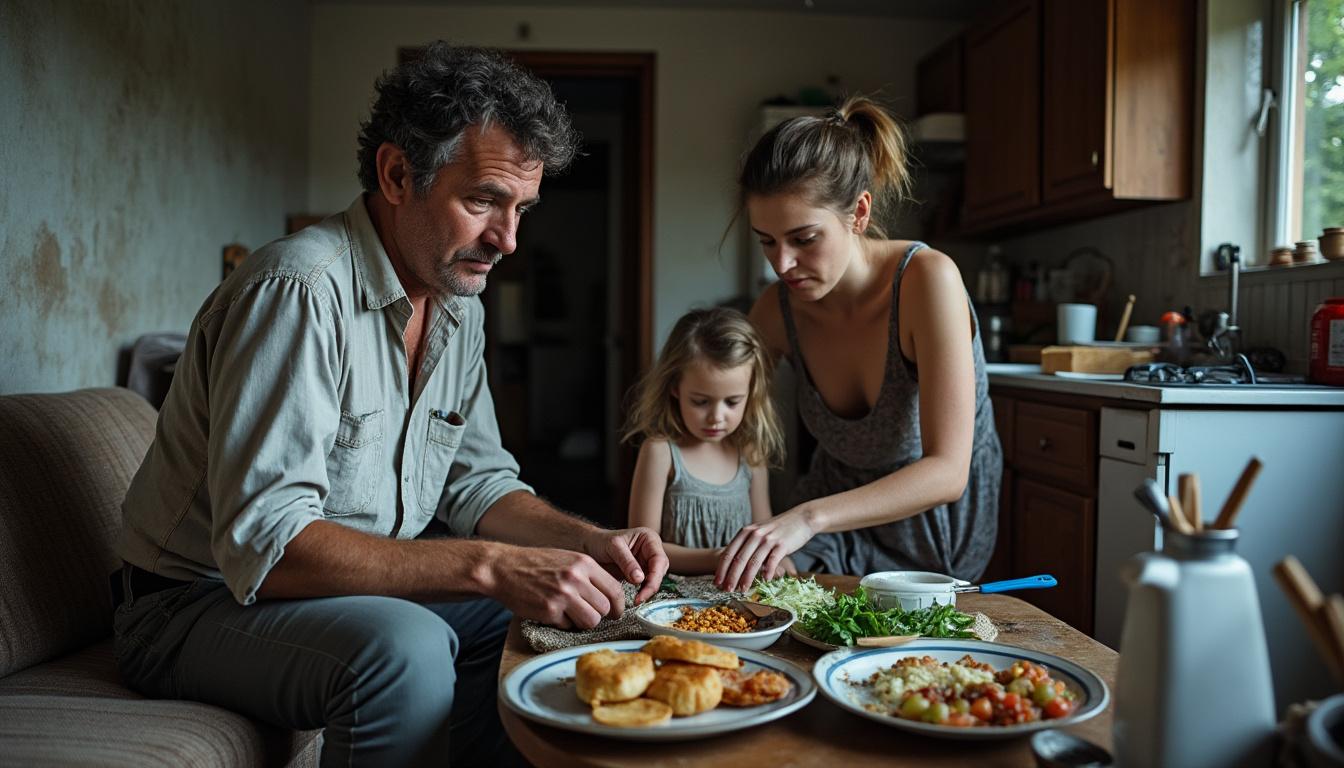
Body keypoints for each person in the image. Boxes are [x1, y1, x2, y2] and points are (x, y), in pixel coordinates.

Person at [113, 42, 669, 767]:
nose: (508, 240)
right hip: (191, 606)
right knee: (405, 650)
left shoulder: (456, 304)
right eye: (482, 202)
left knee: (539, 629)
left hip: (305, 598)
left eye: (522, 209)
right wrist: (492, 565)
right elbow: (268, 548)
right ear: (398, 174)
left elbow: (480, 484)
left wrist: (585, 539)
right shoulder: (299, 290)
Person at [714, 96, 1002, 592]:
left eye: (803, 239)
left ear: (859, 213)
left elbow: (948, 472)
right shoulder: (775, 310)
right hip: (831, 526)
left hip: (934, 539)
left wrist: (804, 519)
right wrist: (762, 525)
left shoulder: (926, 281)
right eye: (766, 240)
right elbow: (740, 425)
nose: (781, 265)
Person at [623, 307, 792, 576]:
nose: (716, 417)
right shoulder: (661, 453)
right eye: (700, 401)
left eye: (732, 402)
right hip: (673, 601)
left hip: (739, 604)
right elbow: (643, 548)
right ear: (675, 387)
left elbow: (764, 535)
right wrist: (717, 558)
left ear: (751, 392)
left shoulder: (750, 453)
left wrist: (778, 560)